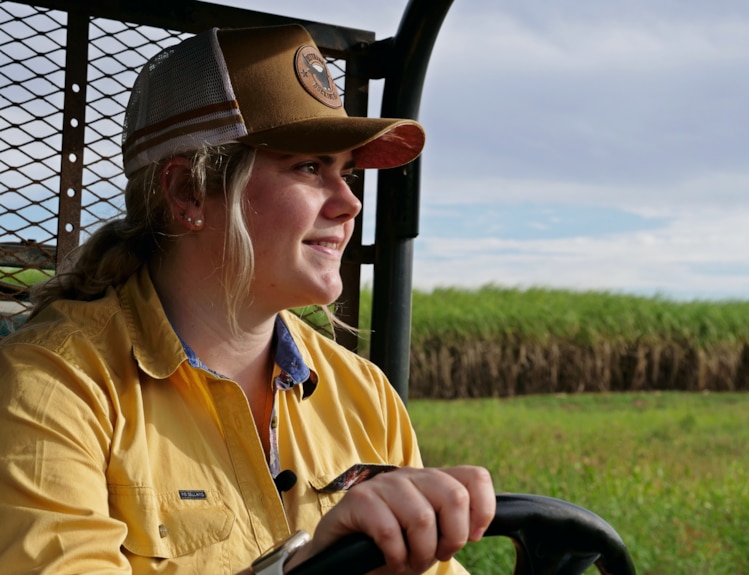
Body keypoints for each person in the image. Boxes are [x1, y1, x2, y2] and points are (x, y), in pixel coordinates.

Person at [0, 24, 495, 575]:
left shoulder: (365, 394)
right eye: (309, 167)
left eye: (347, 171)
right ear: (189, 191)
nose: (350, 203)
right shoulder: (51, 387)